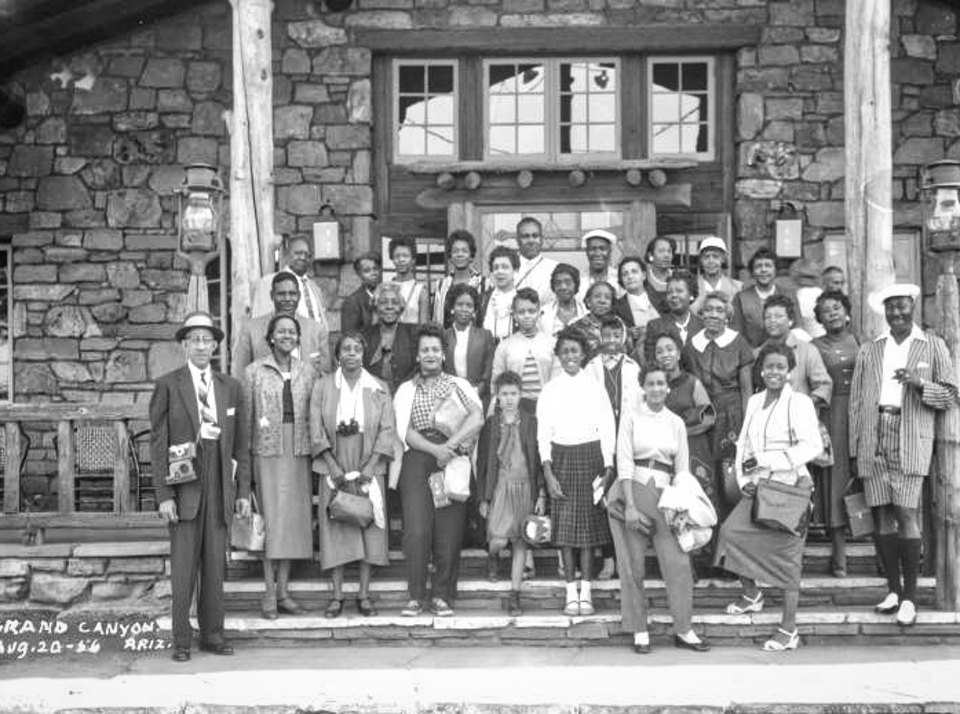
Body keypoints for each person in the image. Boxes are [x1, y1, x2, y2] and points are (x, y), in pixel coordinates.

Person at [850, 283, 957, 627]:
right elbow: (855, 403)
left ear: (912, 307)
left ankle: (910, 597)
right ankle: (893, 589)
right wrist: (856, 447)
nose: (896, 313)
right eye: (890, 308)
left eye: (902, 307)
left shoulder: (932, 346)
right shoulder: (870, 349)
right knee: (880, 515)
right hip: (874, 432)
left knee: (906, 513)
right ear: (884, 311)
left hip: (910, 435)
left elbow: (952, 396)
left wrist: (919, 384)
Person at [150, 312, 249, 662]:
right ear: (184, 345)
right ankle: (181, 640)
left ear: (216, 345)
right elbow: (158, 444)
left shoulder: (230, 387)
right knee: (183, 569)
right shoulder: (168, 385)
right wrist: (164, 496)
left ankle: (212, 635)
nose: (202, 346)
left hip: (220, 484)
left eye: (208, 340)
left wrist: (241, 493)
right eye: (195, 340)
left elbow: (241, 445)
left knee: (214, 569)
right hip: (185, 488)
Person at [715, 343, 824, 652]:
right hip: (758, 487)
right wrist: (745, 478)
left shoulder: (800, 403)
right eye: (769, 366)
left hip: (790, 489)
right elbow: (744, 447)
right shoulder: (754, 401)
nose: (774, 372)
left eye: (780, 367)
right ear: (760, 370)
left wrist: (773, 462)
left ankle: (788, 629)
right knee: (729, 534)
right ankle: (752, 595)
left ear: (789, 371)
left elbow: (812, 446)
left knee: (789, 561)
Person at [611, 364, 710, 654]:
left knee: (678, 564)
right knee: (632, 565)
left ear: (668, 388)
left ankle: (684, 629)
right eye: (651, 383)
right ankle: (640, 630)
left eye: (661, 383)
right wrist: (629, 505)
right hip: (636, 490)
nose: (656, 388)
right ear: (643, 387)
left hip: (668, 497)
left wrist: (682, 505)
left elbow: (682, 468)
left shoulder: (676, 422)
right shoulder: (630, 417)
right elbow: (624, 461)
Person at [393, 324, 485, 617]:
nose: (430, 354)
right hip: (418, 459)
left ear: (443, 354)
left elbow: (477, 418)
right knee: (417, 531)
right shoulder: (406, 390)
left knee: (448, 531)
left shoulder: (460, 385)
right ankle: (417, 596)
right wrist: (435, 451)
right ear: (417, 356)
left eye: (435, 349)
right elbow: (404, 431)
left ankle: (442, 595)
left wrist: (450, 447)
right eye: (424, 350)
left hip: (453, 460)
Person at [311, 332, 396, 618]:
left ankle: (363, 594)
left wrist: (371, 467)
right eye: (345, 349)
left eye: (357, 348)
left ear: (363, 353)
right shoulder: (322, 386)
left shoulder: (379, 387)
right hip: (334, 460)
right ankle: (336, 596)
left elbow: (387, 430)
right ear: (337, 355)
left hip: (368, 459)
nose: (351, 353)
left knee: (367, 525)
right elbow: (315, 429)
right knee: (336, 525)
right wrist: (333, 467)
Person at [239, 314, 316, 619]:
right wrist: (244, 462)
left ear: (298, 338)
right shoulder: (253, 372)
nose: (287, 335)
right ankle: (269, 593)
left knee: (293, 524)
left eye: (292, 332)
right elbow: (245, 420)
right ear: (270, 337)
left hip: (299, 450)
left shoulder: (308, 372)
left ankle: (284, 591)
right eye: (281, 331)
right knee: (271, 521)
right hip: (266, 451)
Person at [537, 327, 615, 616]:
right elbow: (543, 434)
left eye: (575, 351)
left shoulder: (595, 388)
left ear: (583, 355)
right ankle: (571, 591)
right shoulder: (550, 390)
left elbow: (607, 428)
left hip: (591, 457)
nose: (570, 356)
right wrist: (547, 470)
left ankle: (587, 593)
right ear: (558, 355)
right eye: (565, 351)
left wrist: (608, 466)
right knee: (567, 531)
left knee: (588, 533)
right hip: (562, 459)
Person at [476, 371, 544, 616]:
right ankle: (493, 556)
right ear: (497, 396)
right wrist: (483, 498)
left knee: (520, 541)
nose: (509, 399)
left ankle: (515, 594)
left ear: (520, 394)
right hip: (501, 487)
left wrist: (541, 494)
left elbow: (536, 459)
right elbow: (482, 463)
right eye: (504, 394)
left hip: (525, 486)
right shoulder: (491, 425)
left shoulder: (530, 423)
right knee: (498, 539)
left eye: (513, 394)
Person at [684, 291, 754, 515]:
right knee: (703, 472)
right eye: (709, 309)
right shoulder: (692, 344)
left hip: (732, 413)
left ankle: (730, 534)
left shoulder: (738, 342)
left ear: (727, 316)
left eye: (719, 310)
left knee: (730, 476)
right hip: (704, 414)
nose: (713, 314)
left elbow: (746, 389)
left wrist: (747, 423)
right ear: (702, 314)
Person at [584, 314, 642, 581]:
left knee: (628, 498)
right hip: (600, 442)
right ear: (599, 338)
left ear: (624, 338)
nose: (611, 340)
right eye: (606, 335)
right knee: (603, 500)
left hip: (628, 441)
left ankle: (626, 558)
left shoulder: (633, 367)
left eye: (616, 335)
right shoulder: (591, 367)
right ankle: (608, 559)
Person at [811, 290, 860, 577]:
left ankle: (881, 552)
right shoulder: (814, 346)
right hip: (832, 415)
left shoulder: (861, 341)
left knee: (866, 480)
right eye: (826, 310)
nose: (832, 313)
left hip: (860, 412)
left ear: (846, 311)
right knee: (836, 482)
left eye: (837, 307)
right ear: (819, 318)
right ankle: (839, 554)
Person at [655, 332, 717, 531]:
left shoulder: (692, 382)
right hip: (667, 452)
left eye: (670, 349)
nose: (665, 354)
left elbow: (709, 417)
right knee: (674, 504)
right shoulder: (654, 386)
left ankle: (706, 558)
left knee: (699, 499)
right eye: (659, 351)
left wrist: (684, 434)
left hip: (695, 448)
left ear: (679, 354)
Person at [232, 272, 331, 378]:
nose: (287, 299)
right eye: (281, 294)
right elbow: (240, 373)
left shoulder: (317, 330)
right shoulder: (251, 329)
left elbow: (326, 374)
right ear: (272, 296)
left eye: (292, 294)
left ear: (299, 296)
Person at [752, 294, 832, 408]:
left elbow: (824, 386)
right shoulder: (757, 353)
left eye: (778, 316)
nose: (772, 321)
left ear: (790, 320)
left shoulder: (807, 350)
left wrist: (801, 406)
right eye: (767, 317)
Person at [490, 288, 557, 415]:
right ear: (514, 315)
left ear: (539, 313)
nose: (527, 315)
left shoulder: (552, 343)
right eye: (521, 312)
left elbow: (557, 380)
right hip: (516, 410)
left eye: (531, 311)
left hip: (547, 408)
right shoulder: (505, 346)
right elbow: (496, 382)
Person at [250, 236, 328, 329]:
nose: (303, 257)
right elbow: (260, 323)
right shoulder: (269, 283)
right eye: (298, 253)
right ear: (287, 255)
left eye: (307, 255)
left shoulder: (315, 288)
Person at [731, 247, 800, 347]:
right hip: (752, 355)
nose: (763, 270)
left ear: (775, 269)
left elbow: (798, 327)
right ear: (752, 272)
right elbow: (736, 332)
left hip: (785, 354)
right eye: (758, 266)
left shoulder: (788, 295)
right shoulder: (741, 298)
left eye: (768, 265)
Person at [443, 283, 496, 411]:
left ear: (474, 310)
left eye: (469, 305)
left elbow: (488, 370)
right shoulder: (443, 335)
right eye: (459, 304)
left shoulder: (485, 335)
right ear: (452, 308)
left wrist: (476, 393)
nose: (464, 309)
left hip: (478, 397)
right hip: (449, 399)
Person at [362, 282, 417, 394]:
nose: (389, 307)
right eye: (383, 302)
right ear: (375, 306)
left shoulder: (414, 333)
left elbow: (419, 369)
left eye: (395, 303)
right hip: (373, 400)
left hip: (406, 398)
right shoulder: (364, 336)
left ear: (401, 307)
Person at [642, 270, 703, 364]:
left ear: (691, 295)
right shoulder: (655, 326)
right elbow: (651, 362)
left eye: (679, 291)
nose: (674, 295)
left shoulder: (702, 326)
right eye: (670, 292)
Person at [432, 230, 485, 327]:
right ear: (450, 256)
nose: (460, 254)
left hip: (476, 340)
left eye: (464, 251)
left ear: (471, 256)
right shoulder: (441, 285)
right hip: (447, 340)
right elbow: (436, 319)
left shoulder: (484, 284)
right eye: (455, 251)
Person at [614, 256, 659, 351]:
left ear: (643, 275)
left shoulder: (661, 299)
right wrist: (628, 332)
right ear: (621, 279)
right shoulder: (617, 307)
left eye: (634, 272)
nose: (630, 277)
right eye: (625, 274)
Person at [514, 217, 559, 308]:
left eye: (535, 236)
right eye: (525, 236)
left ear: (541, 239)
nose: (531, 241)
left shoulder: (555, 268)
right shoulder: (508, 268)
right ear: (517, 240)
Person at [691, 236, 742, 316]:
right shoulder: (691, 286)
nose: (711, 261)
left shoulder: (737, 287)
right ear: (700, 260)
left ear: (723, 259)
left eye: (715, 256)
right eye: (706, 256)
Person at [479, 245, 520, 341]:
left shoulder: (522, 299)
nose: (500, 271)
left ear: (515, 270)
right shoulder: (483, 299)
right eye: (496, 268)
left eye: (505, 267)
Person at [570, 281, 617, 360]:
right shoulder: (575, 329)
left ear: (612, 304)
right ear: (588, 302)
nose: (602, 301)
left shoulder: (619, 326)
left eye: (607, 297)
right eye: (597, 296)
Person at [389, 237, 429, 325]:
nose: (401, 260)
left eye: (405, 256)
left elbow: (423, 325)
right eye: (397, 256)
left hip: (412, 337)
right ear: (392, 259)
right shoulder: (386, 287)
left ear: (413, 260)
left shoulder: (420, 289)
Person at [540, 263, 588, 336]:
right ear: (553, 286)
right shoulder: (542, 313)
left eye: (568, 282)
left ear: (576, 285)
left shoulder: (587, 311)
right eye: (558, 283)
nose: (563, 287)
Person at [341, 252, 382, 334]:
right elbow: (349, 338)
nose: (373, 273)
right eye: (367, 271)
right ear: (359, 274)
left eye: (376, 268)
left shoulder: (388, 294)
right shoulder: (352, 303)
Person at [578, 229, 623, 301]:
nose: (598, 254)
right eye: (592, 249)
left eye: (603, 249)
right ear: (586, 252)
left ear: (610, 251)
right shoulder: (578, 279)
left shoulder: (620, 279)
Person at [644, 236, 676, 312]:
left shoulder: (679, 278)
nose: (666, 255)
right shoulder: (642, 279)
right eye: (661, 251)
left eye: (669, 251)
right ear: (650, 255)